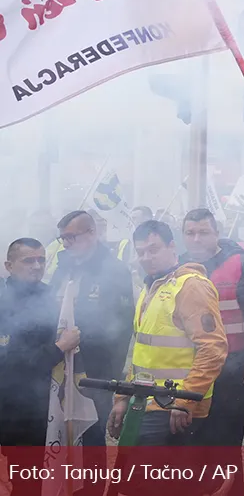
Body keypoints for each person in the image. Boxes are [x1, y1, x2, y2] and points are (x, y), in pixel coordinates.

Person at [106, 220, 227, 494]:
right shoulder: (152, 288)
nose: (147, 257)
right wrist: (122, 398)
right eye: (141, 252)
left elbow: (213, 349)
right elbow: (142, 355)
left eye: (154, 249)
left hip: (174, 411)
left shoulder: (190, 286)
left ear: (173, 247)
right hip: (145, 405)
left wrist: (184, 400)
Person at [181, 208, 244, 496]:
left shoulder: (241, 264)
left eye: (203, 232)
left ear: (216, 233)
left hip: (231, 371)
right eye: (190, 232)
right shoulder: (178, 267)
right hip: (190, 370)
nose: (196, 238)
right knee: (191, 444)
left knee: (226, 443)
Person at [48, 210, 134, 496]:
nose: (67, 244)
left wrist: (107, 376)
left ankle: (93, 490)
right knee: (63, 432)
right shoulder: (63, 267)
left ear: (92, 233)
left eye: (72, 237)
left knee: (92, 436)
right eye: (63, 238)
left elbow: (122, 328)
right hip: (61, 368)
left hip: (95, 372)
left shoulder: (114, 269)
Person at [0, 238, 80, 496]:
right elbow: (11, 363)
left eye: (41, 260)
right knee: (23, 476)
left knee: (39, 477)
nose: (36, 266)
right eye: (28, 260)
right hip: (12, 408)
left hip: (46, 403)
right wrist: (59, 348)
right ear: (9, 265)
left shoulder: (49, 296)